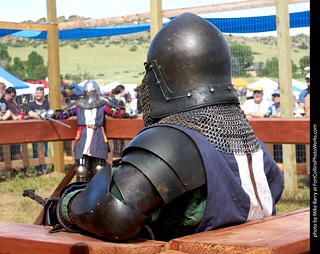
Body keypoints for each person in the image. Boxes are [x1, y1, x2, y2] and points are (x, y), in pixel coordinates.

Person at [37, 13, 283, 242]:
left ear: (158, 80)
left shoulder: (174, 143)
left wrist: (62, 206)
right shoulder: (252, 146)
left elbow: (111, 214)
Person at [57, 80, 131, 182]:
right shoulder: (79, 105)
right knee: (81, 169)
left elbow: (115, 112)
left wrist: (124, 114)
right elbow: (65, 113)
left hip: (98, 136)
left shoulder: (102, 104)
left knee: (99, 168)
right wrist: (54, 115)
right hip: (83, 136)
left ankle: (98, 192)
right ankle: (80, 191)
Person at [26, 86, 49, 175]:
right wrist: (42, 115)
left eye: (39, 93)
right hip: (34, 131)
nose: (38, 94)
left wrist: (39, 114)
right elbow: (30, 113)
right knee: (35, 150)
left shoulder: (47, 104)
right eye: (36, 93)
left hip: (44, 131)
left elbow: (50, 114)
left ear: (43, 94)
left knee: (45, 149)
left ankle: (44, 168)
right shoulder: (31, 104)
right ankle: (37, 169)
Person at [4, 87, 23, 161]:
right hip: (7, 129)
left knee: (16, 150)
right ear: (7, 94)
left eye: (14, 96)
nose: (13, 98)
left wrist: (19, 116)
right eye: (12, 96)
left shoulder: (14, 103)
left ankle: (19, 168)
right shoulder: (4, 102)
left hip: (15, 129)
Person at [110, 85, 126, 158]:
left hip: (122, 126)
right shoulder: (112, 102)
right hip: (114, 127)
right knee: (117, 145)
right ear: (121, 91)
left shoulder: (122, 102)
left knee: (121, 145)